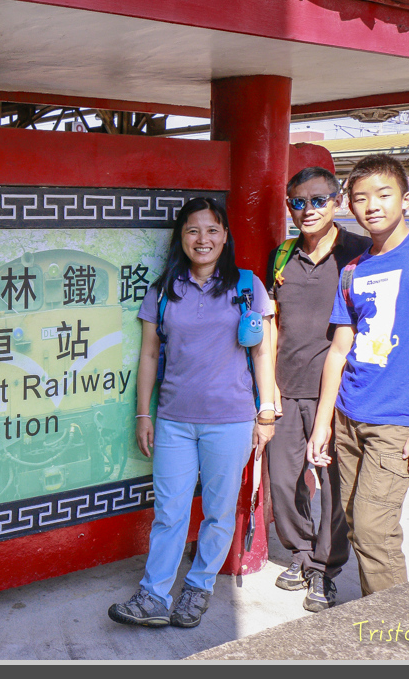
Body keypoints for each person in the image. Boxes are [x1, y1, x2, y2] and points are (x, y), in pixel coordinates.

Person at [108, 197, 276, 629]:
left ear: (225, 236)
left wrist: (267, 410)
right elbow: (148, 356)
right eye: (193, 230)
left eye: (212, 230)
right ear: (180, 238)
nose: (203, 239)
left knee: (220, 512)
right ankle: (154, 596)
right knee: (170, 511)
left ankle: (198, 589)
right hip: (175, 421)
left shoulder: (247, 286)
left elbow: (263, 352)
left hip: (232, 418)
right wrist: (143, 415)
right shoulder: (164, 290)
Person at [308, 153, 409, 596]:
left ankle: (396, 636)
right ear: (349, 207)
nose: (372, 205)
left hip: (397, 420)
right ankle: (382, 617)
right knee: (357, 524)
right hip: (350, 415)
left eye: (383, 194)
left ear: (406, 199)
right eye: (360, 198)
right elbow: (339, 350)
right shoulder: (353, 269)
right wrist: (323, 422)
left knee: (374, 531)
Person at [264, 167, 370, 612]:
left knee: (333, 487)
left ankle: (325, 571)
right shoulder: (283, 255)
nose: (307, 210)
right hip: (287, 390)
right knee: (283, 481)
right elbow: (270, 322)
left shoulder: (360, 253)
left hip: (339, 394)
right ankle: (301, 553)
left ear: (338, 200)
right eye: (298, 202)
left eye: (318, 200)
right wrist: (267, 385)